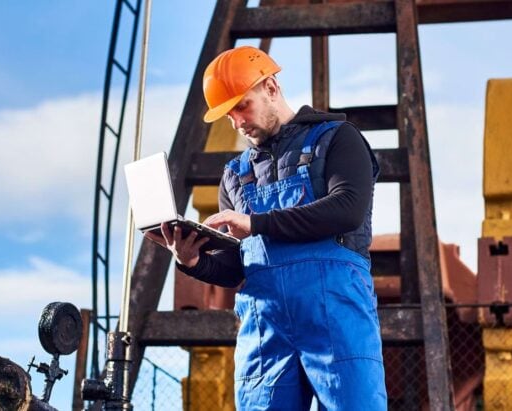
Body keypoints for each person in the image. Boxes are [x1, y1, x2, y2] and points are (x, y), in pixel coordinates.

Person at [146, 45, 387, 410]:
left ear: (271, 88)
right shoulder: (235, 176)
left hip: (336, 318)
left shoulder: (337, 139)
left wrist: (255, 222)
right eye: (228, 115)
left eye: (243, 106)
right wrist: (193, 261)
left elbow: (347, 209)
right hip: (265, 331)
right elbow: (239, 269)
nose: (238, 121)